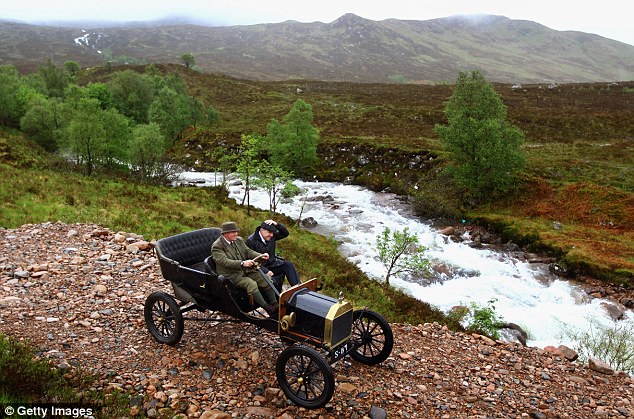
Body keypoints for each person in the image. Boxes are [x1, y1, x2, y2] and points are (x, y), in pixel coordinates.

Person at [211, 221, 278, 316]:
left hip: (245, 270)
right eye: (233, 232)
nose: (236, 234)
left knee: (265, 278)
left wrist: (260, 255)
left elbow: (248, 251)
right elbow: (224, 261)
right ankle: (267, 308)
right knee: (251, 284)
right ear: (225, 234)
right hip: (231, 275)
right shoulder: (217, 246)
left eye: (236, 231)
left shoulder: (238, 240)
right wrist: (242, 263)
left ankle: (275, 304)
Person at [246, 219, 301, 287]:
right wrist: (266, 271)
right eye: (269, 232)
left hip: (273, 263)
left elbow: (285, 233)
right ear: (262, 230)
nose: (271, 235)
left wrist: (277, 224)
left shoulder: (271, 236)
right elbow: (252, 261)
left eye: (273, 232)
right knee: (273, 281)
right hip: (260, 268)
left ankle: (297, 288)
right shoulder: (251, 241)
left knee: (288, 265)